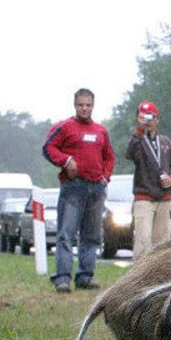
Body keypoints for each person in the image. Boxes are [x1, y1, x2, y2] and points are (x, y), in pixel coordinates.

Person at [43, 88, 115, 293]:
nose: (85, 108)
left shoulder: (101, 131)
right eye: (81, 105)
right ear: (75, 105)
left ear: (93, 106)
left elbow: (109, 156)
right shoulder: (65, 127)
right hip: (73, 187)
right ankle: (63, 277)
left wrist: (105, 177)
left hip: (96, 188)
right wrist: (65, 161)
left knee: (91, 235)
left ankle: (85, 275)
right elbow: (48, 148)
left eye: (88, 105)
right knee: (66, 234)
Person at [125, 100, 171, 261]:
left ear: (157, 119)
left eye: (151, 117)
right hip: (144, 197)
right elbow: (129, 154)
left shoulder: (166, 142)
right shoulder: (138, 140)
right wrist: (139, 131)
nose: (148, 121)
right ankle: (139, 278)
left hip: (165, 197)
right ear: (138, 119)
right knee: (143, 239)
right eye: (143, 117)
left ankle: (160, 278)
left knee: (163, 242)